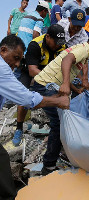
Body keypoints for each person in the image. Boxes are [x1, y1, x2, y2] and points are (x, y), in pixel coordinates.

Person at [0, 34, 69, 200]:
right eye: (15, 58)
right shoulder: (2, 68)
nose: (17, 65)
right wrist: (57, 101)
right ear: (3, 50)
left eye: (19, 60)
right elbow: (25, 99)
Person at [32, 30, 89, 175]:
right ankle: (48, 166)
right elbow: (67, 60)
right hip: (44, 85)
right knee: (59, 123)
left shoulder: (83, 49)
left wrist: (76, 88)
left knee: (63, 120)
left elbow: (70, 70)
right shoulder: (83, 50)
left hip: (48, 84)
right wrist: (67, 84)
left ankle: (60, 153)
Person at [12, 24, 66, 146]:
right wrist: (52, 79)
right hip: (30, 70)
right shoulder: (35, 45)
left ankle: (57, 128)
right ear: (47, 37)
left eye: (60, 42)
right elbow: (32, 71)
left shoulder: (62, 46)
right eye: (56, 42)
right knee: (23, 97)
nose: (58, 45)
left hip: (48, 71)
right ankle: (19, 128)